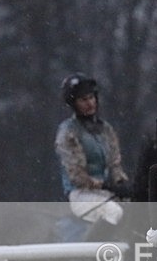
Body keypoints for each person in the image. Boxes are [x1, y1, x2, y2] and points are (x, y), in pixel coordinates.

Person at [55, 73, 132, 224]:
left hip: (105, 193)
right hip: (81, 196)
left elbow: (115, 163)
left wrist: (122, 184)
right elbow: (76, 175)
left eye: (91, 98)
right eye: (84, 100)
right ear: (74, 103)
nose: (90, 103)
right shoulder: (68, 132)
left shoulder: (106, 129)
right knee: (113, 212)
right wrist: (104, 185)